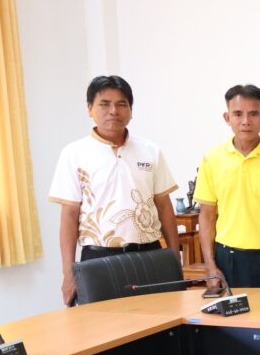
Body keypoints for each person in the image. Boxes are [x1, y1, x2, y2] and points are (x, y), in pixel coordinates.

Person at [49, 75, 178, 306]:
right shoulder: (74, 153)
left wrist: (174, 257)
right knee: (103, 325)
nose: (113, 111)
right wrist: (68, 273)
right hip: (98, 258)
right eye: (104, 104)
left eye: (121, 104)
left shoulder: (150, 150)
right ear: (90, 108)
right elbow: (69, 217)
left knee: (159, 320)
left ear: (131, 110)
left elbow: (164, 207)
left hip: (149, 254)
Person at [193, 84, 260, 289]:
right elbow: (207, 215)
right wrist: (210, 265)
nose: (246, 121)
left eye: (253, 114)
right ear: (227, 117)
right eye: (238, 114)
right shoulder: (212, 159)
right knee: (231, 310)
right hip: (227, 257)